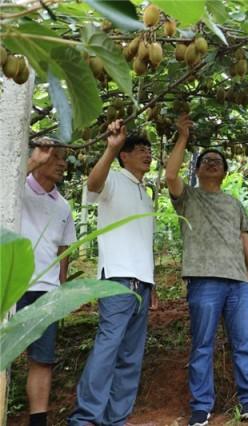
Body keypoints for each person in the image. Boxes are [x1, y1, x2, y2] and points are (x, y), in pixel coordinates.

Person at [165, 114, 248, 426]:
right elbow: (169, 176)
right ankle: (201, 407)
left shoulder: (234, 203)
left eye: (217, 161)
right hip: (204, 279)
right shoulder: (188, 198)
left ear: (224, 172)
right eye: (205, 160)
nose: (211, 163)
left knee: (245, 343)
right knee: (202, 344)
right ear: (196, 169)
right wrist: (182, 138)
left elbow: (243, 236)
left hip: (237, 282)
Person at [69, 120, 157, 426]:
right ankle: (85, 418)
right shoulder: (114, 180)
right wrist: (111, 147)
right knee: (108, 349)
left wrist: (152, 284)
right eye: (141, 150)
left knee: (131, 356)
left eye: (149, 150)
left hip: (142, 283)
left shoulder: (146, 192)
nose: (148, 154)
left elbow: (144, 242)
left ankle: (115, 419)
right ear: (125, 156)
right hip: (118, 279)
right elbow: (92, 185)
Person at [18, 138, 77, 426]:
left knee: (42, 359)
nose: (63, 162)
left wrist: (62, 292)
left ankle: (38, 420)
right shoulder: (15, 190)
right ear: (38, 156)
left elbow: (63, 251)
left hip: (46, 292)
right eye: (56, 156)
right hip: (10, 285)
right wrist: (31, 162)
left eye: (64, 157)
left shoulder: (63, 206)